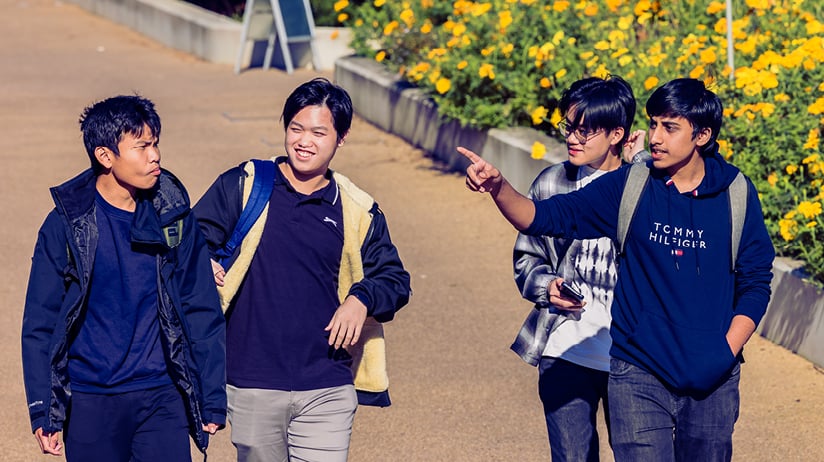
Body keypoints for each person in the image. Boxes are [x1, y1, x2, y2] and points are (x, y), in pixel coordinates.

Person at [460, 78, 774, 461]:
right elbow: (542, 217)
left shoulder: (736, 193)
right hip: (637, 372)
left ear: (702, 135)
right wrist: (498, 188)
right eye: (653, 124)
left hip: (712, 376)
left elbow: (756, 280)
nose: (655, 137)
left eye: (670, 127)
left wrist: (725, 350)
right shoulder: (631, 185)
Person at [193, 77, 411, 462]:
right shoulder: (243, 186)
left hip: (328, 383)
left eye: (318, 133)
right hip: (251, 381)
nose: (303, 141)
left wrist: (361, 299)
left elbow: (394, 279)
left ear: (341, 138)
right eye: (296, 128)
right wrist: (202, 261)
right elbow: (190, 239)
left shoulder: (356, 208)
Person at [21, 95, 227, 461]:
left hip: (162, 395)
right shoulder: (66, 226)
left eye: (156, 143)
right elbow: (41, 322)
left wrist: (211, 395)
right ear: (105, 156)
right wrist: (44, 410)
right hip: (90, 399)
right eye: (142, 147)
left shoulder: (173, 217)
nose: (155, 155)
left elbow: (201, 306)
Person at [510, 76, 646, 462]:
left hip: (631, 354)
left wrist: (640, 163)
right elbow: (526, 256)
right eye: (569, 126)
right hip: (563, 348)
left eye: (585, 131)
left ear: (617, 134)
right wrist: (547, 286)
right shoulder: (551, 183)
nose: (572, 138)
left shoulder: (642, 187)